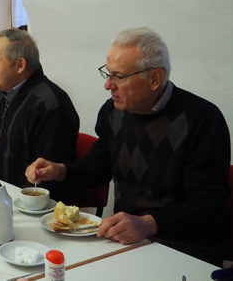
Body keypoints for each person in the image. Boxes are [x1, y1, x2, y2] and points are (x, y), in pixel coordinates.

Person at [26, 28, 231, 265]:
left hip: (185, 249)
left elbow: (208, 208)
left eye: (118, 76)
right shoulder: (112, 112)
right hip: (128, 241)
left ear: (155, 78)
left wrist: (148, 223)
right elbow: (98, 169)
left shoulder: (202, 120)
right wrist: (61, 170)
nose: (108, 85)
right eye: (107, 74)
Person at [0, 29, 79, 203]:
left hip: (29, 204)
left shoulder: (50, 105)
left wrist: (7, 199)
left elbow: (46, 176)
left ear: (20, 65)